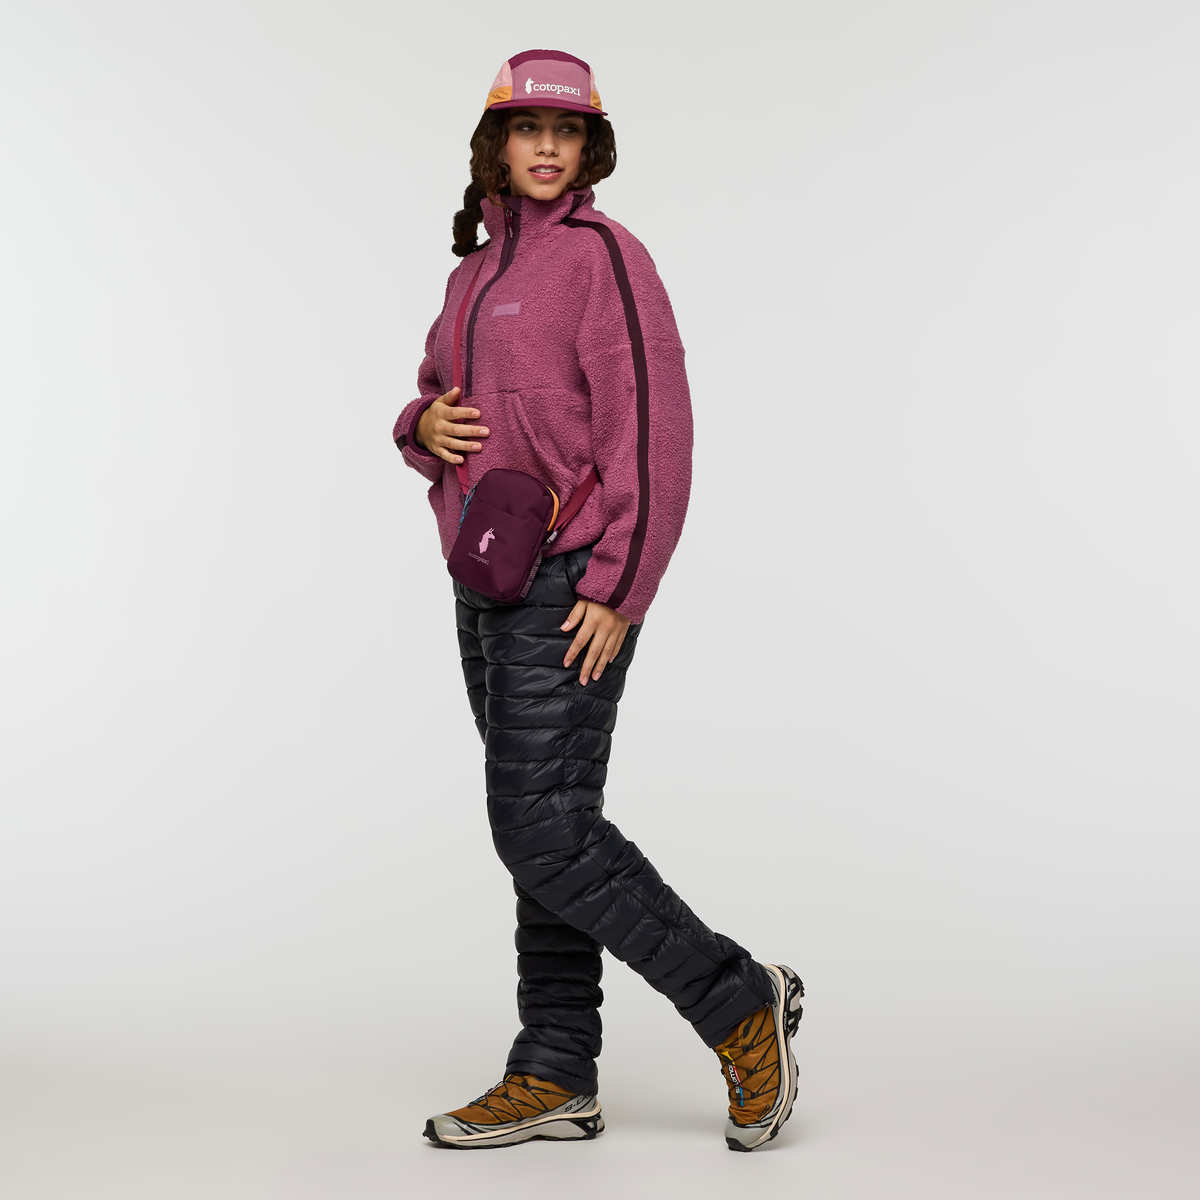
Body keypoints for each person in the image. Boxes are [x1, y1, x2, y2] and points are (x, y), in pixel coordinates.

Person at [393, 49, 803, 1153]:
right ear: (495, 145)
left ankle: (738, 1002)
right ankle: (555, 1068)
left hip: (572, 584)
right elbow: (435, 399)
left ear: (590, 147)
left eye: (565, 131)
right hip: (485, 577)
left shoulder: (605, 258)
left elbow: (655, 433)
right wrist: (418, 426)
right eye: (527, 128)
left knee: (541, 829)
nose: (545, 147)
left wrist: (622, 585)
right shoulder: (474, 270)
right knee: (547, 831)